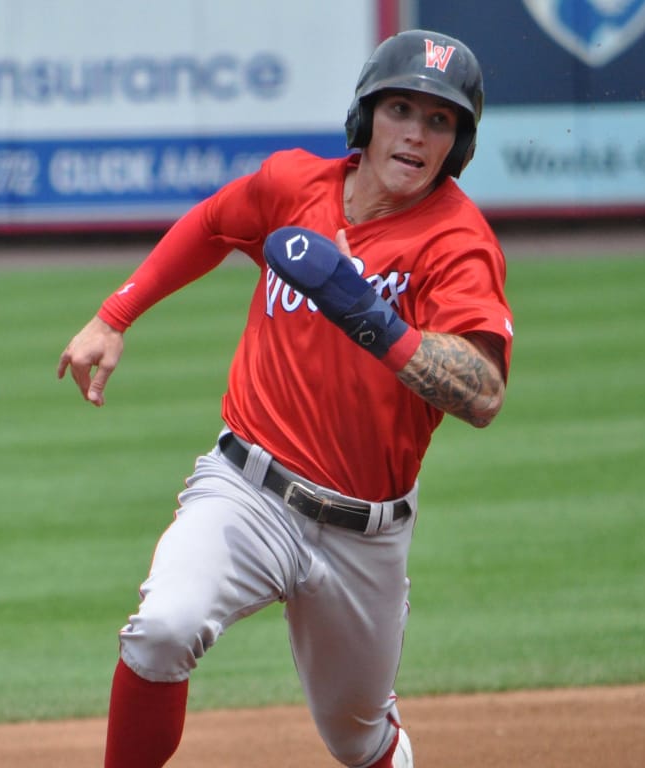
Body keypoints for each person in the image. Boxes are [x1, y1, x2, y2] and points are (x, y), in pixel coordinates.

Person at [57, 29, 512, 768]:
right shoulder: (292, 185)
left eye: (440, 121)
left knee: (357, 737)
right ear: (367, 117)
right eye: (402, 109)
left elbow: (483, 393)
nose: (417, 134)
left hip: (366, 532)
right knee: (164, 629)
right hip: (249, 490)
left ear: (457, 145)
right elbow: (211, 222)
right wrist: (115, 315)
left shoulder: (457, 241)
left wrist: (374, 322)